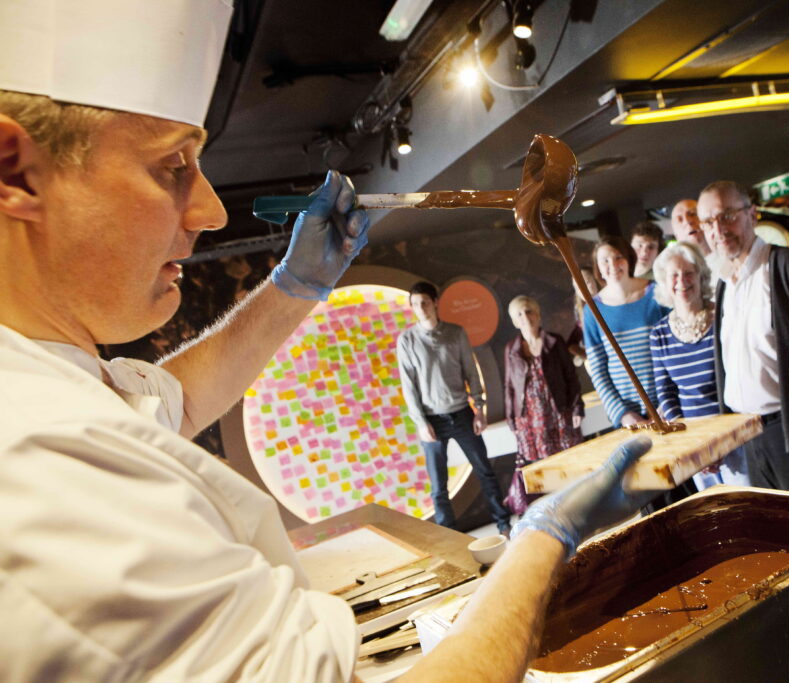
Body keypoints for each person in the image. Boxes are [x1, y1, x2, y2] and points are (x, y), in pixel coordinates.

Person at [0, 4, 656, 680]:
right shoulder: (41, 463)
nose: (211, 211)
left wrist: (297, 283)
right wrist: (543, 541)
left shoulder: (45, 376)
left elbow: (177, 400)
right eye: (172, 166)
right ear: (14, 172)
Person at [698, 181, 789, 496]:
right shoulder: (723, 285)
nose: (717, 229)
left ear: (752, 214)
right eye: (708, 222)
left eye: (726, 216)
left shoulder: (788, 267)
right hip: (748, 438)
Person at [397, 282, 511, 535]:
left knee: (486, 472)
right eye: (415, 304)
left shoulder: (456, 333)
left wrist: (479, 409)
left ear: (436, 302)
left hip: (462, 414)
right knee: (438, 486)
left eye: (424, 302)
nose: (420, 308)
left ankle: (504, 524)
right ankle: (449, 539)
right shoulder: (406, 340)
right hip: (430, 420)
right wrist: (420, 422)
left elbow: (471, 372)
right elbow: (408, 385)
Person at [650, 243, 748, 489]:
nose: (681, 281)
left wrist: (723, 443)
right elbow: (666, 394)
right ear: (664, 281)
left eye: (688, 273)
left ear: (701, 276)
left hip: (736, 439)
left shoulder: (723, 318)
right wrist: (693, 445)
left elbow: (739, 378)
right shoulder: (659, 334)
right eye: (674, 274)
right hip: (694, 445)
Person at [502, 295, 584, 514]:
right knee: (539, 467)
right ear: (514, 321)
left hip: (558, 413)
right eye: (519, 313)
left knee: (567, 461)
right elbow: (509, 386)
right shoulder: (512, 349)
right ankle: (551, 511)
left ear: (538, 315)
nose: (525, 317)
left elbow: (571, 377)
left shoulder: (554, 342)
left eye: (529, 311)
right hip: (529, 419)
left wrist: (577, 407)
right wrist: (511, 419)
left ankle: (575, 506)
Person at [584, 236, 669, 427]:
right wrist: (622, 414)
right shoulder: (592, 311)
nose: (612, 264)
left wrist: (669, 401)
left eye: (618, 257)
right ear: (598, 268)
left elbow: (674, 350)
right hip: (630, 416)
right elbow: (598, 371)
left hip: (668, 405)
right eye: (604, 260)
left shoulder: (656, 293)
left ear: (629, 259)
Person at [671, 197, 722, 279]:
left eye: (692, 214)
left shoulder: (731, 257)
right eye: (680, 219)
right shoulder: (680, 277)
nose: (688, 221)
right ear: (676, 236)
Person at [566, 265, 598, 366]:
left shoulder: (611, 302)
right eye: (579, 286)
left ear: (595, 280)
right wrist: (588, 357)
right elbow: (571, 345)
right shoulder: (583, 315)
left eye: (587, 282)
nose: (584, 289)